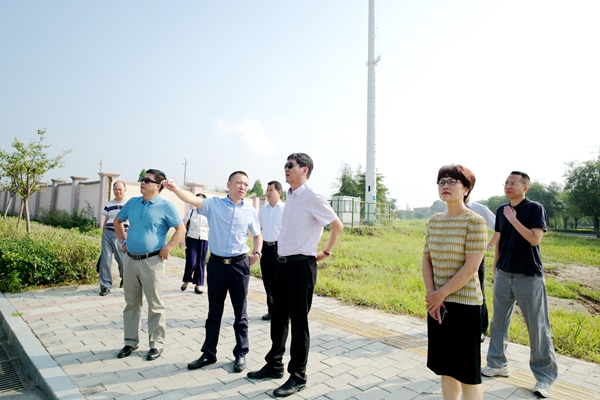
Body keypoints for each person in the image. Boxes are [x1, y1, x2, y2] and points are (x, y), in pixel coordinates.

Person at [247, 153, 343, 398]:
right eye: (285, 165)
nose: (286, 169)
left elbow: (337, 226)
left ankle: (298, 377)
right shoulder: (290, 195)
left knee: (299, 324)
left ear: (305, 170)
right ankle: (274, 365)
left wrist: (325, 252)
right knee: (278, 318)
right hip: (282, 265)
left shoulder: (313, 196)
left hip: (301, 267)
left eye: (291, 165)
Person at [163, 171, 262, 374]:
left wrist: (257, 253)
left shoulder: (250, 211)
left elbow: (257, 234)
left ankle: (241, 352)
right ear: (229, 184)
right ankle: (209, 353)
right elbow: (192, 199)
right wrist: (174, 189)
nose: (242, 187)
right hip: (217, 265)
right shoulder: (214, 205)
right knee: (214, 311)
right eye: (238, 183)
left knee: (240, 312)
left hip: (239, 266)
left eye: (245, 184)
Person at [482, 171, 557, 398]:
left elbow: (535, 238)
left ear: (525, 187)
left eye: (513, 183)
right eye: (506, 182)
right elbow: (499, 238)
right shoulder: (501, 210)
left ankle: (544, 378)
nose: (508, 186)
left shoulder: (535, 209)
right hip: (504, 274)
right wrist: (496, 265)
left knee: (537, 327)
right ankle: (497, 364)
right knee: (498, 321)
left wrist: (514, 219)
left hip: (529, 276)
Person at [422, 165, 487, 400]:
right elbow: (426, 259)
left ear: (466, 189)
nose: (445, 186)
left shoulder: (474, 222)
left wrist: (440, 294)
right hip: (438, 304)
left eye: (452, 181)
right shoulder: (434, 221)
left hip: (465, 305)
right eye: (441, 182)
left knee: (467, 374)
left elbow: (471, 267)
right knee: (446, 369)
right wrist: (433, 295)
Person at [113, 169, 185, 361]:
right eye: (142, 179)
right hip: (130, 261)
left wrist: (168, 248)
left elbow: (180, 229)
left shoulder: (166, 206)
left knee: (155, 305)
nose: (142, 182)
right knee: (131, 303)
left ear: (158, 186)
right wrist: (122, 241)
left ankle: (156, 344)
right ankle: (130, 342)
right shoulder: (133, 203)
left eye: (147, 180)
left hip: (152, 262)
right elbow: (117, 220)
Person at [465, 195, 499, 342]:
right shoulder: (450, 209)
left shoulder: (479, 209)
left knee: (478, 291)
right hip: (455, 256)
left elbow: (499, 227)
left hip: (475, 257)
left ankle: (480, 329)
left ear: (467, 189)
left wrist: (489, 245)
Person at [258, 180, 285, 321]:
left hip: (280, 248)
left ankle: (283, 312)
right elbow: (259, 230)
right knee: (268, 281)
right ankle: (271, 310)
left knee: (280, 282)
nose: (268, 193)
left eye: (271, 190)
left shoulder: (285, 209)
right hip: (265, 248)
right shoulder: (263, 210)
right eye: (267, 190)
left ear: (279, 192)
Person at [98, 181, 129, 296]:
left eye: (120, 189)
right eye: (116, 189)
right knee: (105, 260)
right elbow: (106, 219)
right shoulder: (109, 203)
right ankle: (105, 286)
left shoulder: (129, 204)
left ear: (125, 190)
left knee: (122, 260)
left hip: (121, 234)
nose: (118, 191)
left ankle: (125, 279)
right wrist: (103, 233)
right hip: (108, 233)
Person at [180, 193, 209, 294]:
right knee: (191, 262)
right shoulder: (191, 212)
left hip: (204, 240)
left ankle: (198, 285)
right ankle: (187, 280)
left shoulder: (208, 214)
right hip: (191, 239)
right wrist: (181, 239)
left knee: (201, 263)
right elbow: (183, 226)